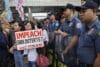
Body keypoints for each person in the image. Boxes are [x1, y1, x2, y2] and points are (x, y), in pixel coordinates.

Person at [75, 0, 100, 67]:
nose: (80, 14)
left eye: (84, 11)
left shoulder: (98, 29)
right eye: (80, 12)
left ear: (94, 11)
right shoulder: (83, 25)